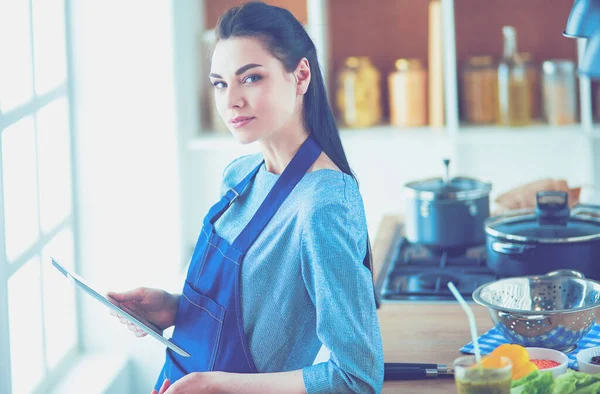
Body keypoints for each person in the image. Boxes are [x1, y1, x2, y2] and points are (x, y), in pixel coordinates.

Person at [107, 2, 384, 393]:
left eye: (251, 78)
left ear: (300, 75)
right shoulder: (240, 177)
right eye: (220, 83)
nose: (231, 100)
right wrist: (173, 308)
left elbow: (356, 378)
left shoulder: (323, 205)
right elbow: (252, 315)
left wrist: (219, 386)